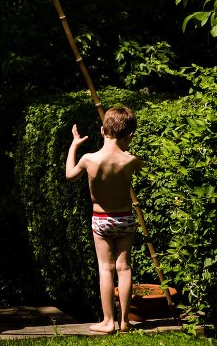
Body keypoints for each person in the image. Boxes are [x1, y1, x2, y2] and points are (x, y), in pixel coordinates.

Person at [65, 106, 143, 333]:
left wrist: (74, 145)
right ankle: (125, 322)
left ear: (101, 130)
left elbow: (69, 175)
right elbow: (149, 170)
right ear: (129, 136)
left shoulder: (89, 159)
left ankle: (108, 322)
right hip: (125, 218)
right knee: (124, 267)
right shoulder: (130, 161)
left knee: (106, 269)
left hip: (101, 219)